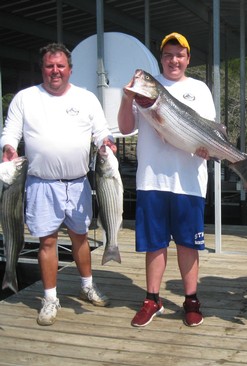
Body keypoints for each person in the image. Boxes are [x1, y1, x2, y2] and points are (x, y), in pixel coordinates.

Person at [1, 43, 116, 326]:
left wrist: (105, 142)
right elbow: (11, 131)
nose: (55, 71)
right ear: (42, 68)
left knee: (80, 237)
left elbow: (101, 132)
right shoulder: (25, 98)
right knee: (47, 241)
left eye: (60, 66)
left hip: (78, 184)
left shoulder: (86, 98)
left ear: (70, 69)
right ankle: (50, 298)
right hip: (40, 183)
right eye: (50, 66)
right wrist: (8, 148)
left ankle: (87, 285)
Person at [118, 32, 216, 328]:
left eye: (179, 55)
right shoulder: (145, 92)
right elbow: (124, 128)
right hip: (152, 180)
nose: (174, 60)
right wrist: (126, 98)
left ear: (188, 58)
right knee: (155, 244)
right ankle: (152, 299)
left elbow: (209, 131)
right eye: (168, 55)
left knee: (189, 244)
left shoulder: (199, 89)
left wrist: (207, 147)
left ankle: (191, 300)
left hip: (189, 181)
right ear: (161, 59)